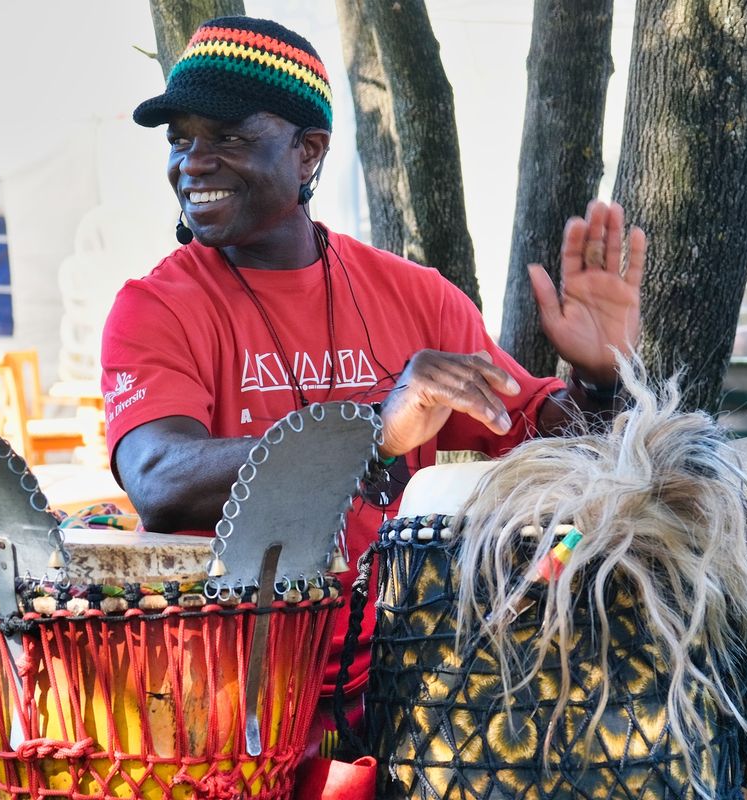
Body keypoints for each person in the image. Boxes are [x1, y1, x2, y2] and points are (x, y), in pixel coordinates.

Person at [102, 15, 645, 741]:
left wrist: (601, 376)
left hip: (412, 677)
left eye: (228, 136)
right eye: (180, 138)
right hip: (227, 694)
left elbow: (552, 442)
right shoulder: (154, 307)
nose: (192, 162)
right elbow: (159, 478)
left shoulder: (417, 297)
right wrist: (371, 430)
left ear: (308, 151)